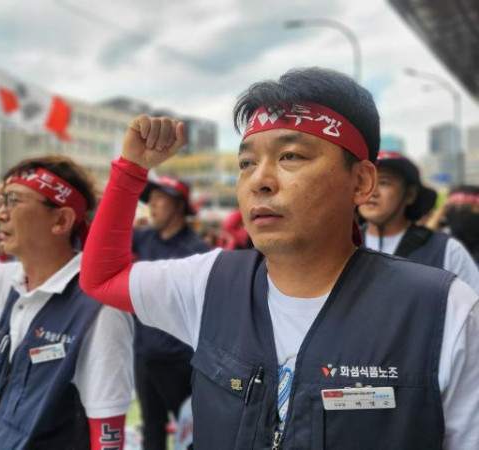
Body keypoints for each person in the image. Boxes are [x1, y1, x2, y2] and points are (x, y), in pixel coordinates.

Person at [80, 67, 479, 449]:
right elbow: (101, 278)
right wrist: (131, 170)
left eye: (290, 156)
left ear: (360, 182)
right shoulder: (210, 282)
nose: (260, 180)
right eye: (246, 163)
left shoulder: (446, 312)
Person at [0, 156, 134, 449]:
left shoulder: (99, 307)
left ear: (61, 220)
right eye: (0, 203)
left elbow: (107, 433)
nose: (1, 214)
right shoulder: (10, 279)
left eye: (14, 201)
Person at [133, 174, 209, 449]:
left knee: (191, 432)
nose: (151, 206)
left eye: (159, 199)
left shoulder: (196, 252)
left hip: (180, 361)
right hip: (143, 355)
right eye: (149, 200)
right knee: (151, 430)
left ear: (179, 205)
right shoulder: (141, 239)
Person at [358, 151, 479, 292]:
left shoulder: (447, 250)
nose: (372, 191)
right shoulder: (340, 247)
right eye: (364, 182)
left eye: (384, 182)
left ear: (410, 194)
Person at [429, 185, 479, 266]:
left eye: (466, 208)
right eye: (454, 208)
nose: (460, 211)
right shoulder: (448, 221)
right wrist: (442, 209)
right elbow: (427, 232)